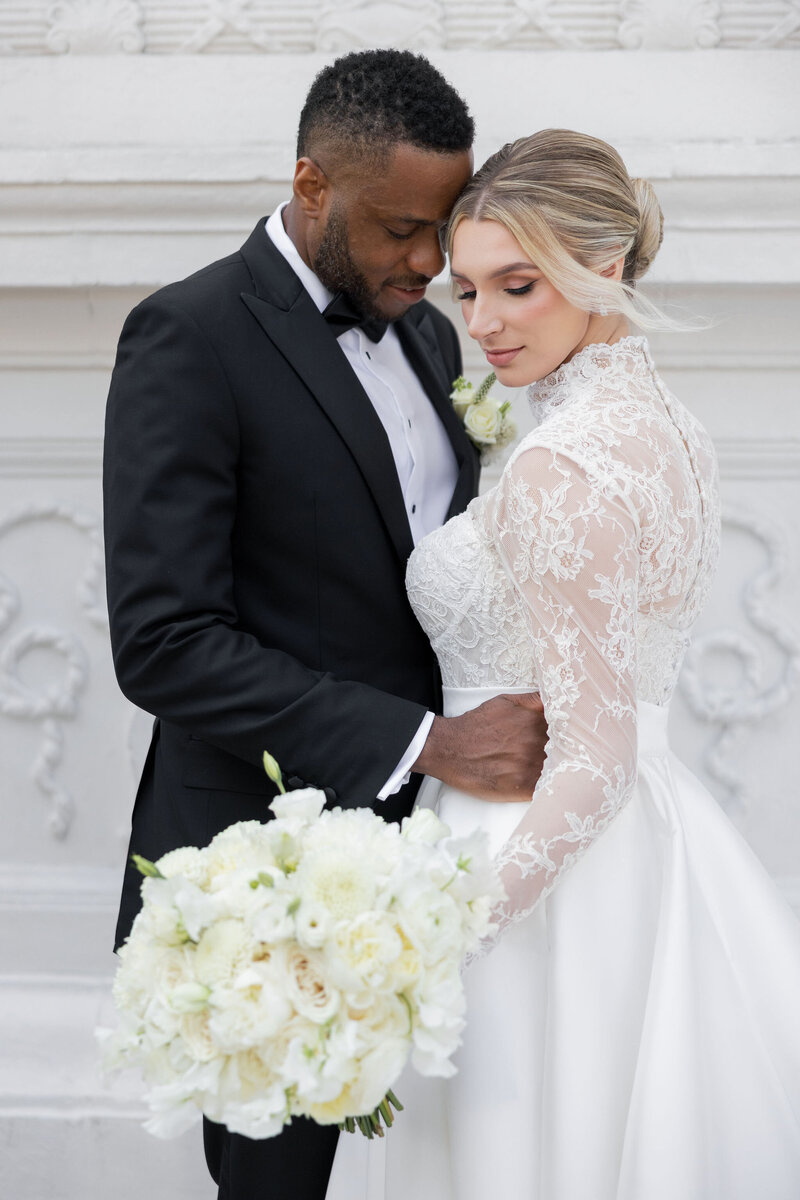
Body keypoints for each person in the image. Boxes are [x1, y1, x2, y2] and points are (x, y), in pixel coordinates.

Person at [103, 51, 548, 1200]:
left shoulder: (431, 338)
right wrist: (428, 742)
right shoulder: (187, 336)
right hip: (268, 891)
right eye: (400, 229)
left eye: (441, 229)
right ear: (310, 186)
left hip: (437, 867)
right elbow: (163, 641)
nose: (426, 262)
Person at [326, 130, 800, 1199]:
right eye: (467, 291)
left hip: (530, 866)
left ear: (607, 265)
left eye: (518, 286)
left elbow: (592, 753)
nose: (482, 324)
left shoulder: (556, 468)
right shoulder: (671, 430)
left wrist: (437, 940)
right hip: (643, 846)